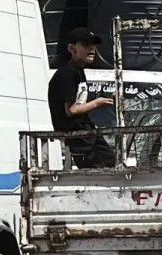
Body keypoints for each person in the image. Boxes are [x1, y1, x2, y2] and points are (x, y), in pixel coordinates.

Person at [47, 27, 117, 168]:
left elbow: (80, 102)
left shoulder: (78, 72)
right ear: (71, 48)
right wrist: (97, 103)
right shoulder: (67, 73)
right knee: (103, 170)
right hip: (79, 136)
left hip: (85, 133)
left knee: (112, 164)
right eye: (86, 45)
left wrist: (108, 99)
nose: (91, 49)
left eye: (93, 45)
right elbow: (71, 110)